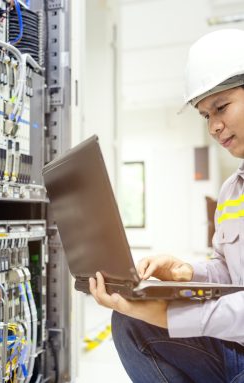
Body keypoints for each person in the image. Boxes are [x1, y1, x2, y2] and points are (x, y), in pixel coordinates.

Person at [89, 28, 244, 383]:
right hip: (237, 346)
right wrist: (185, 273)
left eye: (221, 107)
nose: (214, 126)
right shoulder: (231, 191)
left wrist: (171, 315)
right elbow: (231, 272)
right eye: (205, 115)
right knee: (132, 322)